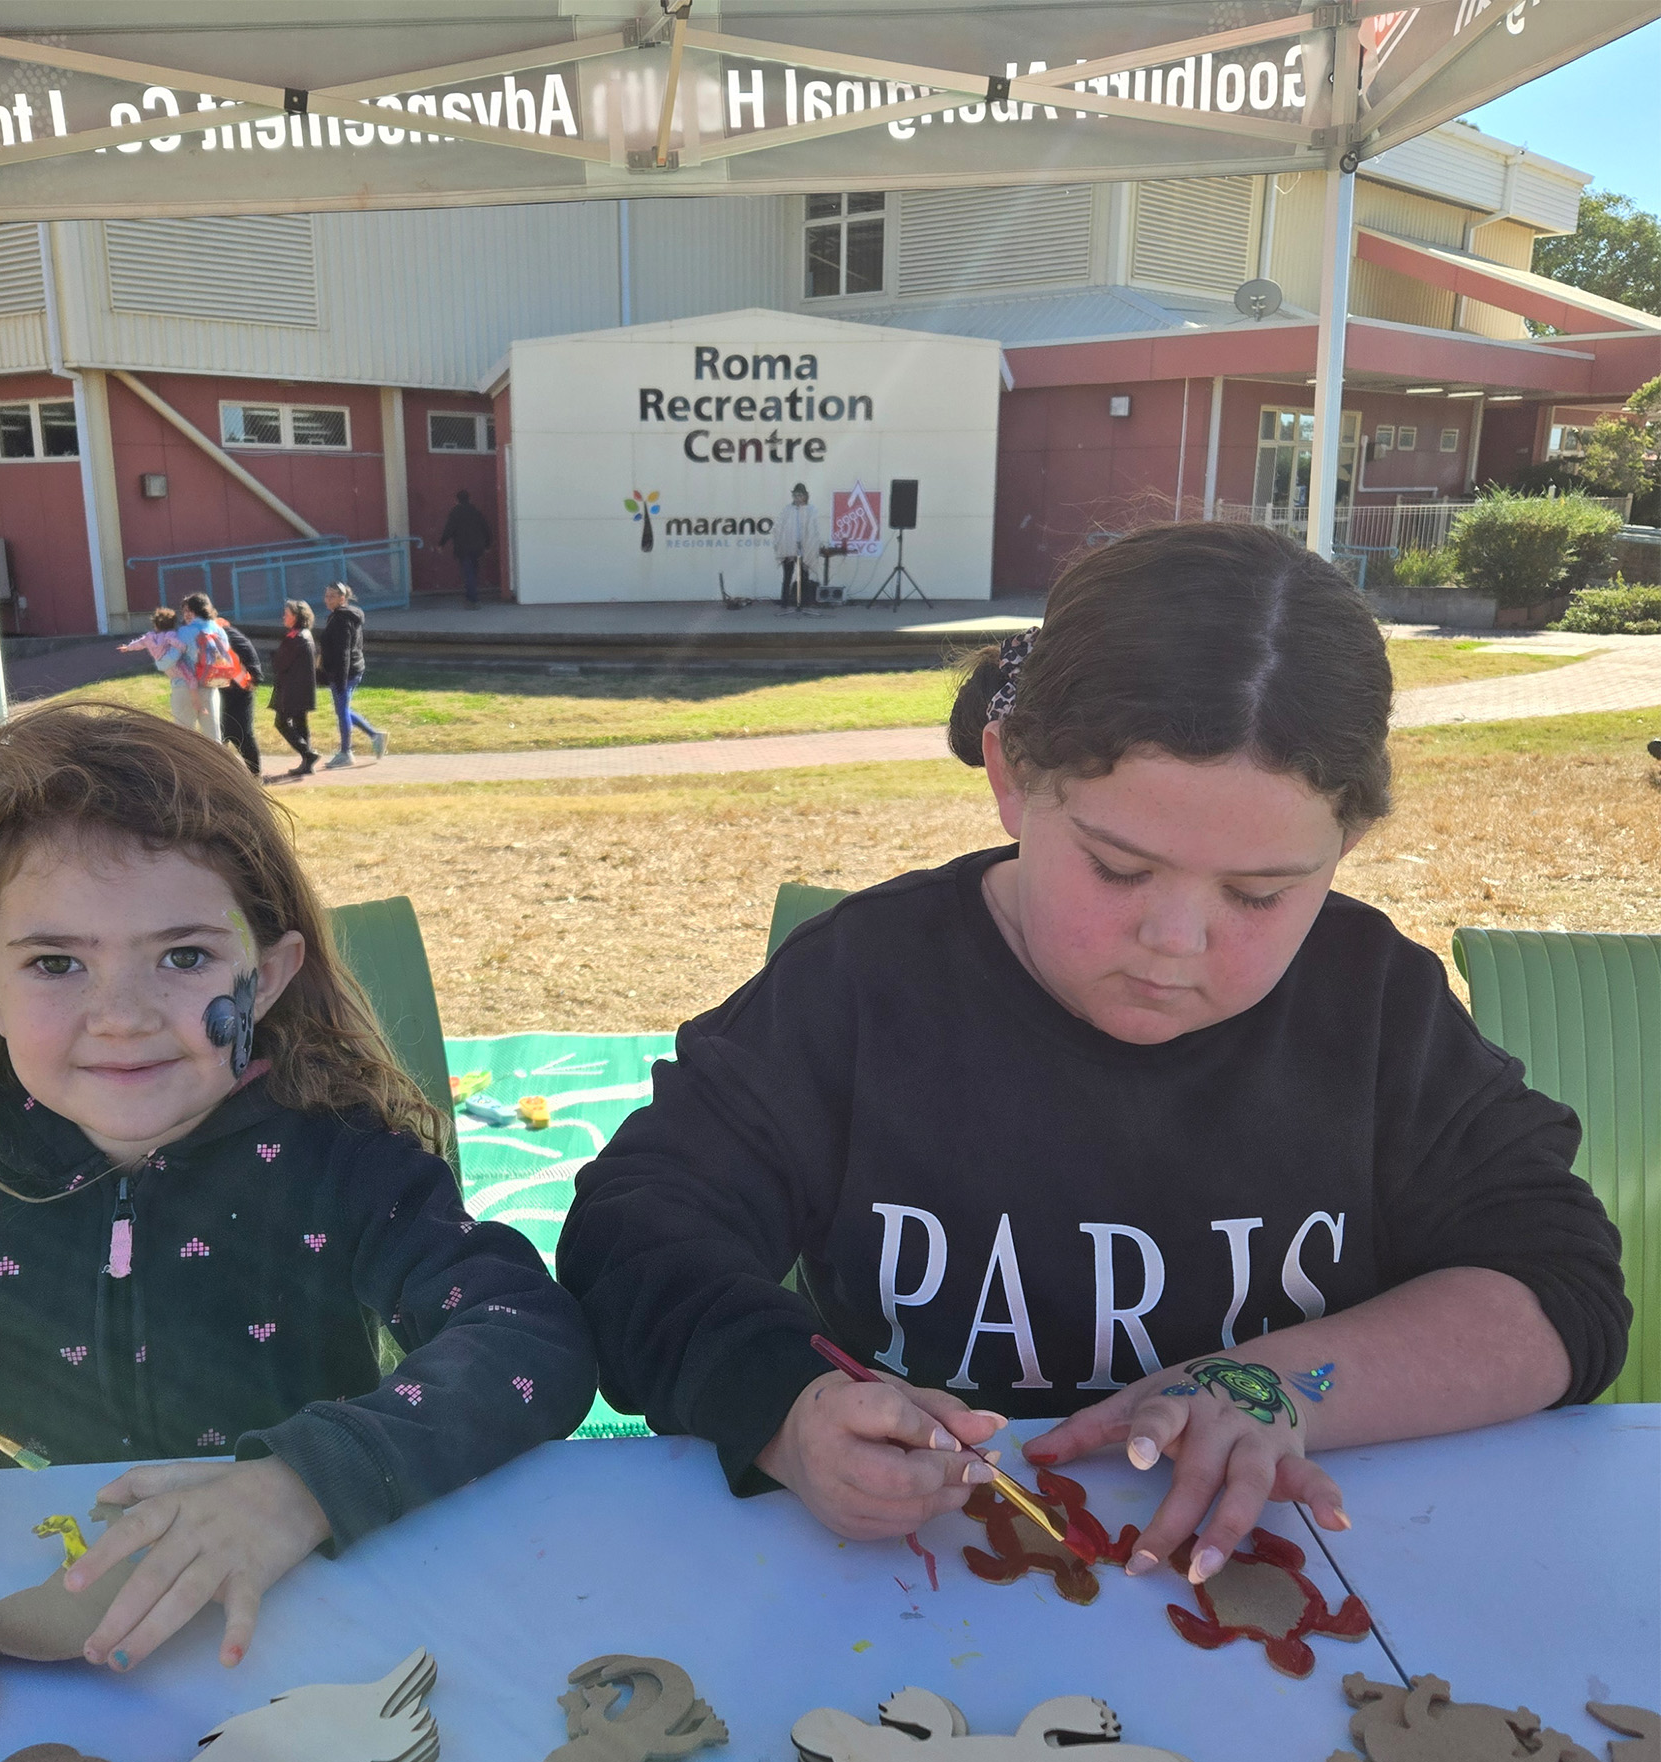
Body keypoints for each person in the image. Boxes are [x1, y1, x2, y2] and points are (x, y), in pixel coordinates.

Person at [557, 522, 1628, 1588]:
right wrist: (787, 1411)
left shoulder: (1371, 1004)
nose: (1175, 940)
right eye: (1118, 868)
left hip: (1269, 1588)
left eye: (1258, 893)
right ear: (1011, 776)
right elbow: (634, 1229)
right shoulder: (862, 987)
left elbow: (1558, 1284)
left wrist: (1273, 1387)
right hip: (915, 1586)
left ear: (1343, 844)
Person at [0, 702, 597, 1671]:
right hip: (34, 1629)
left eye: (183, 956)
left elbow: (529, 1337)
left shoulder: (341, 1156)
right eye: (56, 962)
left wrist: (302, 1485)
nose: (123, 1017)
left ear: (266, 976)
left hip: (291, 1619)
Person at [320, 582, 385, 770]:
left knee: (342, 711)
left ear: (342, 598)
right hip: (349, 670)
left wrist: (340, 679)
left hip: (345, 672)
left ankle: (346, 752)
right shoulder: (341, 616)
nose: (327, 600)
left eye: (332, 596)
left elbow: (344, 652)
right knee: (343, 710)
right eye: (326, 596)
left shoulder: (342, 619)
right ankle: (375, 735)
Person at [168, 592, 232, 745]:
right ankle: (216, 761)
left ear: (195, 610)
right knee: (214, 737)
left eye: (188, 610)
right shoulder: (219, 630)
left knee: (184, 739)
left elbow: (170, 660)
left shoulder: (183, 632)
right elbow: (226, 656)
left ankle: (187, 762)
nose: (186, 614)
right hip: (210, 686)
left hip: (184, 688)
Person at [269, 599, 320, 777]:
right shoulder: (306, 635)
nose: (284, 617)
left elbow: (280, 663)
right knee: (300, 724)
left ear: (296, 616)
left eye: (287, 614)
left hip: (291, 690)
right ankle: (307, 763)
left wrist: (273, 657)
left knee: (281, 723)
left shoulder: (295, 637)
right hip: (303, 689)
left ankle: (308, 754)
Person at [217, 618, 262, 777]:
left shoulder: (228, 635)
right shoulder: (213, 636)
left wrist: (254, 676)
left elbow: (247, 652)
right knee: (221, 734)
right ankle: (221, 774)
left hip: (239, 692)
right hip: (224, 692)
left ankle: (255, 774)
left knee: (242, 735)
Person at [436, 489, 493, 607]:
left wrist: (441, 544)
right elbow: (486, 528)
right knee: (473, 571)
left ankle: (472, 600)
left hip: (463, 547)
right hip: (477, 547)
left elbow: (448, 530)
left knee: (468, 572)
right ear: (469, 499)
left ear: (456, 500)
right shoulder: (476, 512)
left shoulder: (455, 512)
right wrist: (488, 545)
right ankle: (471, 596)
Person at [773, 484, 824, 613]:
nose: (797, 498)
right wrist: (787, 548)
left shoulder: (811, 510)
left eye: (800, 495)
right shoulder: (787, 510)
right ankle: (784, 602)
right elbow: (780, 529)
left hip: (804, 549)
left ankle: (803, 602)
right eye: (795, 495)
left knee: (804, 577)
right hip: (789, 549)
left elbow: (813, 531)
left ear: (805, 496)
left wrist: (809, 548)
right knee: (787, 577)